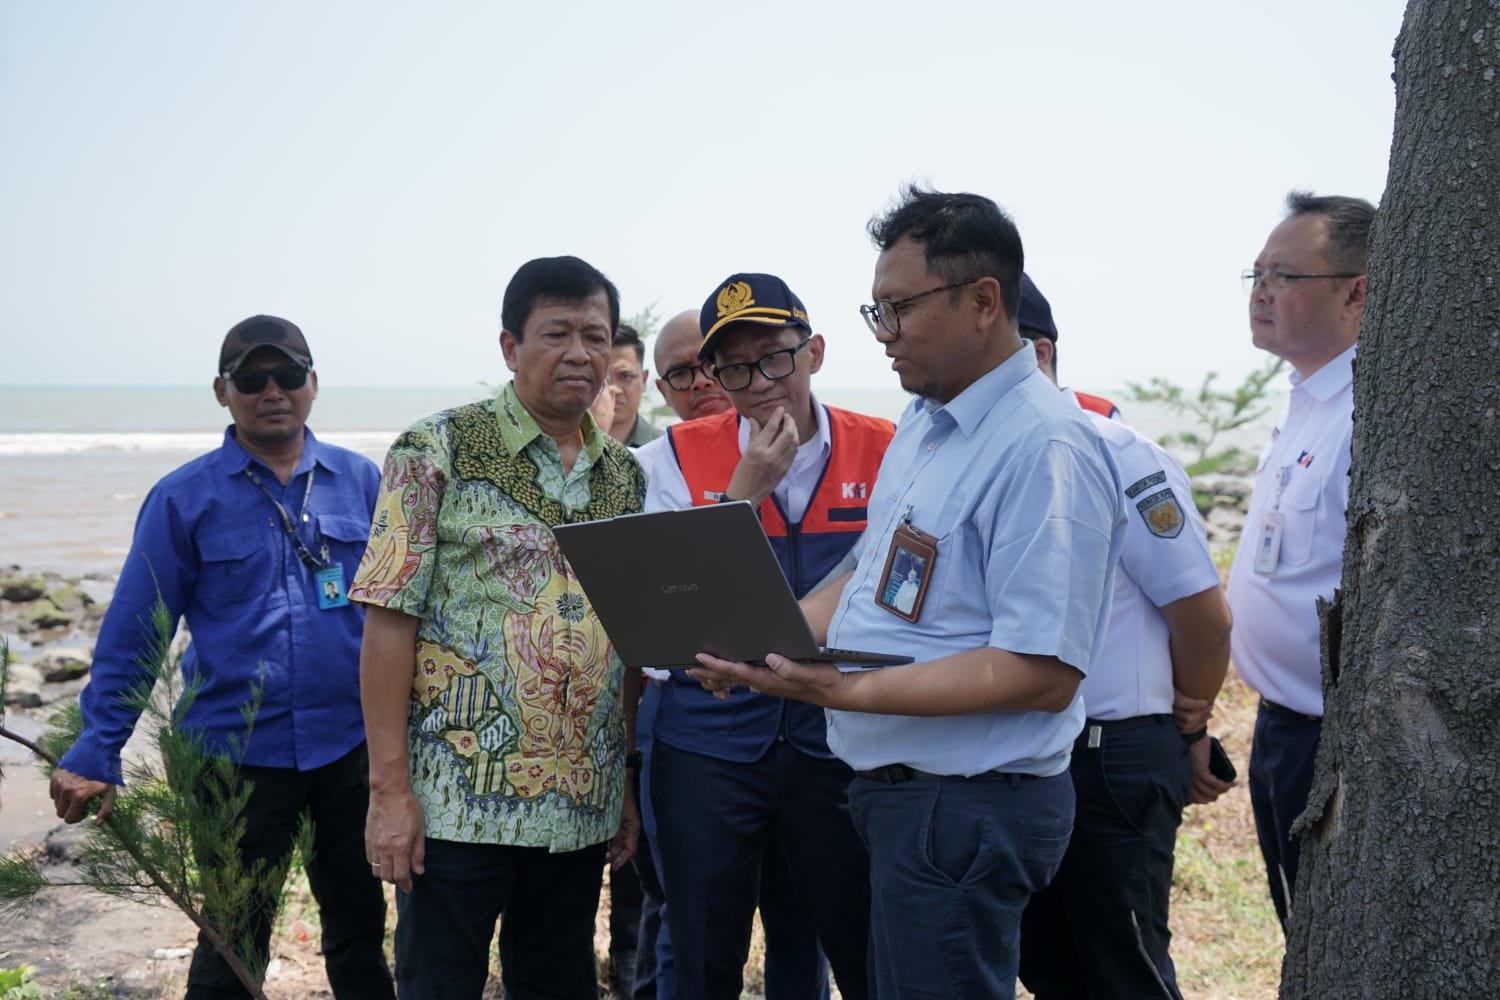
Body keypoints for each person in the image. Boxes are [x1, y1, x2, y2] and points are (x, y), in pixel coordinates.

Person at [692, 187, 1127, 997]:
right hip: (906, 802)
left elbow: (1043, 670)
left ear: (983, 301)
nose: (884, 334)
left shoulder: (1044, 447)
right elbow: (869, 575)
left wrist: (844, 691)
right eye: (877, 311)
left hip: (965, 806)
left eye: (899, 309)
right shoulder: (928, 422)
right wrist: (769, 639)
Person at [48, 315, 392, 1000]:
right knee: (236, 935)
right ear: (221, 391)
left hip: (351, 751)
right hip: (234, 759)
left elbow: (402, 613)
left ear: (313, 383)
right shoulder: (183, 497)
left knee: (359, 925)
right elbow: (137, 629)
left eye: (287, 374)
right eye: (252, 379)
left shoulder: (362, 481)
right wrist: (97, 747)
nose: (272, 391)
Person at [351, 256, 646, 999]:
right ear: (511, 347)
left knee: (559, 984)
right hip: (456, 806)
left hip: (578, 805)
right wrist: (389, 791)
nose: (579, 353)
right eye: (556, 333)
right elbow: (388, 621)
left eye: (595, 336)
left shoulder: (625, 476)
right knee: (439, 986)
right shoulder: (436, 449)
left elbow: (627, 643)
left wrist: (624, 782)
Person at [638, 274, 893, 1000]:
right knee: (700, 952)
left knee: (851, 943)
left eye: (775, 358)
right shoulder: (671, 457)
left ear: (814, 352)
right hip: (707, 746)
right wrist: (741, 494)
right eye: (735, 369)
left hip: (840, 740)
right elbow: (666, 609)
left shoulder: (888, 448)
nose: (758, 383)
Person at [1015, 273, 1234, 998]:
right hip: (1027, 754)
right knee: (1049, 967)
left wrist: (1192, 722)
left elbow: (1202, 617)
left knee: (1124, 967)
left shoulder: (1119, 454)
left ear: (1039, 354)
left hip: (1113, 755)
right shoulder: (993, 462)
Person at [1227, 191, 1373, 929]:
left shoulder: (1369, 410)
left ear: (1356, 292)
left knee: (1333, 935)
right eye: (1255, 274)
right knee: (1304, 935)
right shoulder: (1307, 399)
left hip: (1335, 740)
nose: (1261, 292)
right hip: (1281, 721)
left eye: (1283, 276)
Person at [606, 322, 662, 446]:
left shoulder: (666, 449)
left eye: (625, 376)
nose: (613, 388)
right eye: (603, 379)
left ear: (644, 380)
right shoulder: (563, 447)